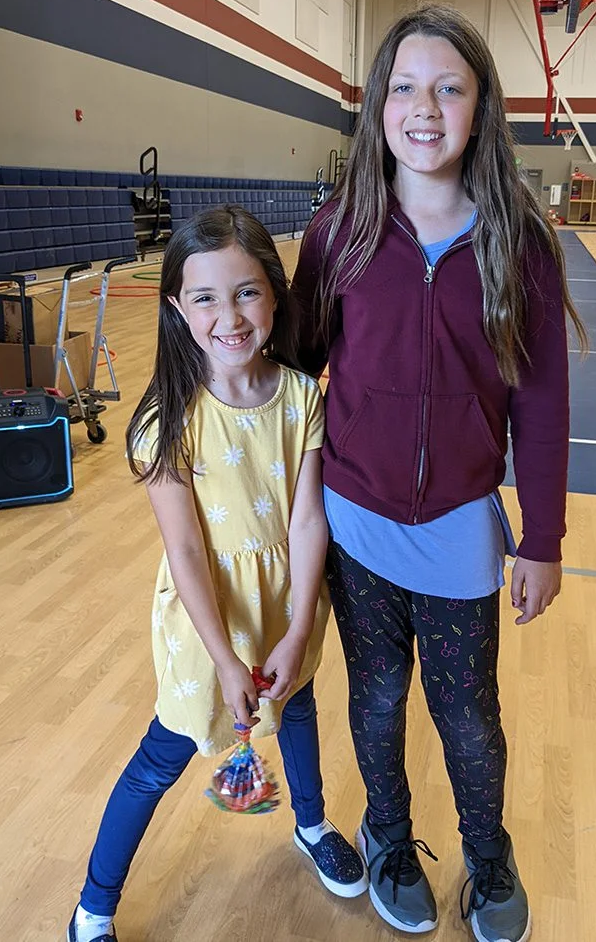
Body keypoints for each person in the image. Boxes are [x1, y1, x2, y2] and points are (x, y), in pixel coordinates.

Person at [292, 4, 587, 942]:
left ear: (480, 108)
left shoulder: (518, 240)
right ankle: (387, 838)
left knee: (468, 717)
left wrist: (543, 538)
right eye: (406, 87)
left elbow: (543, 405)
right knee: (377, 700)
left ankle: (487, 857)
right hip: (355, 520)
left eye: (449, 88)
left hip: (460, 522)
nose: (425, 107)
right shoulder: (339, 232)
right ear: (379, 104)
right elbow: (296, 374)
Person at [67, 206, 367, 942]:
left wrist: (298, 626)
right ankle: (93, 907)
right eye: (205, 298)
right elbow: (187, 551)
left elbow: (307, 521)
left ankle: (311, 824)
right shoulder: (166, 420)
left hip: (286, 606)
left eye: (246, 292)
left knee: (297, 709)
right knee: (161, 755)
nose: (229, 317)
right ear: (178, 307)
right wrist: (227, 659)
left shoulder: (302, 397)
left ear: (275, 296)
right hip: (207, 626)